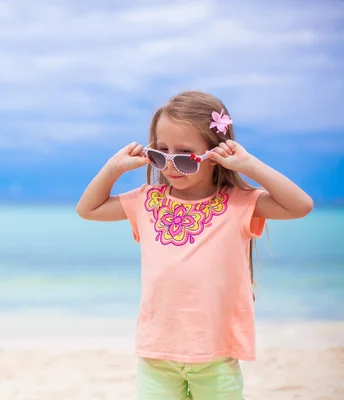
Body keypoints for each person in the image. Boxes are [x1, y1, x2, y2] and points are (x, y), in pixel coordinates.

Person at [76, 90, 313, 399]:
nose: (171, 165)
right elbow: (88, 209)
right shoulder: (148, 201)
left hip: (214, 355)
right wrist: (113, 168)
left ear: (214, 155)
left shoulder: (239, 203)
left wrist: (249, 164)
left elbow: (301, 205)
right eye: (161, 153)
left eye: (185, 156)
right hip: (156, 353)